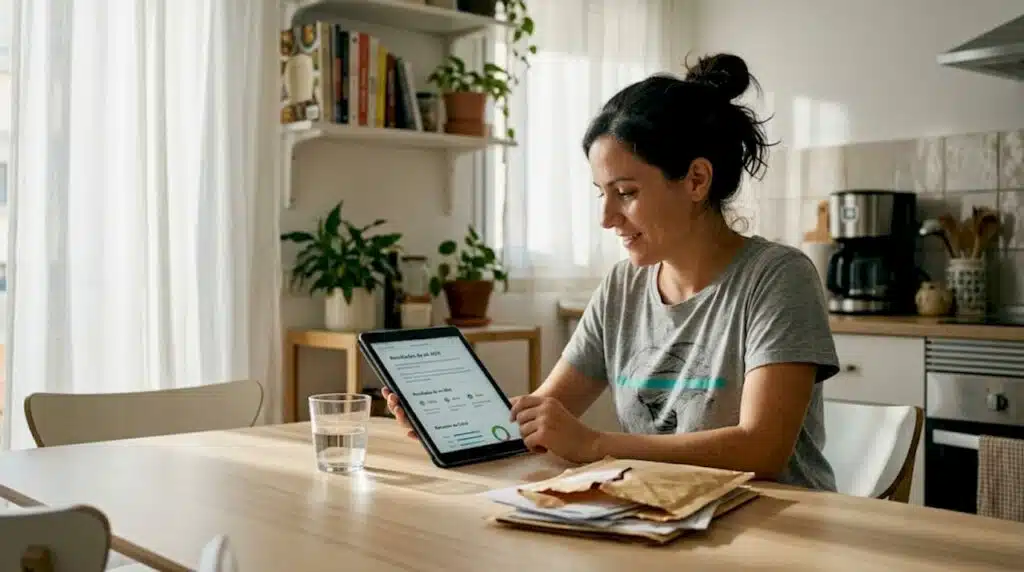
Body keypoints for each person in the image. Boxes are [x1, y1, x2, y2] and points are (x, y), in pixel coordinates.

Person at [384, 53, 840, 491]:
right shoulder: (623, 286)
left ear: (696, 180)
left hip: (775, 529)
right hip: (658, 518)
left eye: (625, 192)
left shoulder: (778, 278)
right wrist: (451, 427)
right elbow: (544, 415)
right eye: (601, 193)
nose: (606, 217)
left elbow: (761, 450)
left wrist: (595, 445)